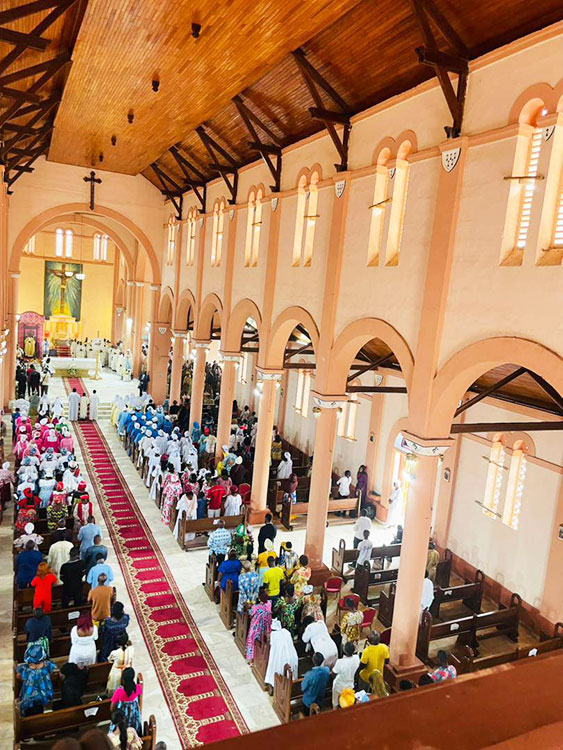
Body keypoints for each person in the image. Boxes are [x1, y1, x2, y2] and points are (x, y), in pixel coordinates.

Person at [17, 644, 55, 716]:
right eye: (31, 664)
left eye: (37, 663)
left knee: (35, 712)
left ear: (43, 661)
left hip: (37, 700)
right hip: (30, 697)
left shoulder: (43, 670)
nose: (34, 666)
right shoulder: (29, 669)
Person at [265, 619, 299, 688]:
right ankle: (290, 685)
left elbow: (272, 645)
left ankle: (278, 686)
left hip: (282, 657)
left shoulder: (273, 635)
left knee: (277, 667)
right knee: (290, 672)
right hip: (292, 655)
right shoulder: (286, 632)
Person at [111, 668, 143, 736]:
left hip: (122, 717)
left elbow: (112, 708)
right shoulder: (138, 688)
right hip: (134, 718)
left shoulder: (119, 691)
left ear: (123, 679)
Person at [246, 589, 272, 662]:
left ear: (259, 598)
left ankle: (251, 658)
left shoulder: (256, 607)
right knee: (261, 642)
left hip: (255, 627)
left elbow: (250, 613)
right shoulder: (269, 604)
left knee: (252, 640)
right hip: (265, 627)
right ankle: (259, 657)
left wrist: (248, 607)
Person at [332, 641, 360, 708]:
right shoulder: (357, 658)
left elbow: (334, 673)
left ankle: (334, 709)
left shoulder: (340, 662)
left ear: (344, 650)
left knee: (335, 702)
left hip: (339, 686)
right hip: (350, 685)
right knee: (348, 702)